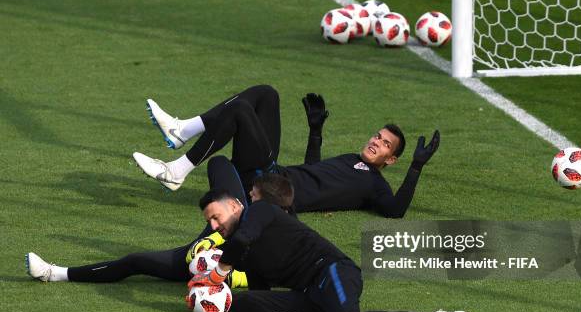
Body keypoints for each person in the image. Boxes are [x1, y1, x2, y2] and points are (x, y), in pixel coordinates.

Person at [188, 189, 476, 312]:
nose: (214, 225)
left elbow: (240, 241)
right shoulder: (243, 248)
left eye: (216, 216)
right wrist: (210, 294)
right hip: (308, 293)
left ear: (236, 206)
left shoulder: (258, 212)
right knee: (241, 303)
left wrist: (216, 275)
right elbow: (262, 286)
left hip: (332, 270)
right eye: (209, 221)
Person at [133, 85, 440, 218]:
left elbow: (396, 211)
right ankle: (183, 129)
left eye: (385, 144)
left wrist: (416, 167)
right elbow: (312, 172)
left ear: (391, 159)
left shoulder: (375, 185)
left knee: (241, 110)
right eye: (378, 136)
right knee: (267, 94)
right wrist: (315, 132)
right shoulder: (352, 160)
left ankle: (177, 170)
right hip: (275, 174)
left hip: (272, 187)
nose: (376, 142)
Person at [25, 158, 294, 286]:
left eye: (253, 197)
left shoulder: (272, 241)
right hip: (213, 240)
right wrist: (210, 238)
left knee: (134, 261)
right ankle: (178, 170)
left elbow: (264, 280)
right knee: (218, 162)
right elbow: (220, 165)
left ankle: (55, 273)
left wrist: (220, 275)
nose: (248, 195)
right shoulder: (238, 211)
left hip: (202, 266)